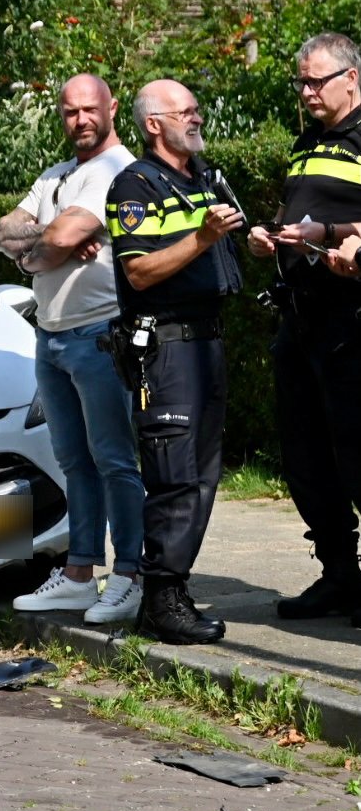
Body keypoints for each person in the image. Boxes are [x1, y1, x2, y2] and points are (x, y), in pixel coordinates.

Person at [0, 74, 144, 625]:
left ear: (111, 109)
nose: (80, 120)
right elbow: (5, 232)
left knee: (115, 461)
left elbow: (48, 239)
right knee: (75, 462)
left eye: (89, 110)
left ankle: (129, 574)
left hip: (97, 333)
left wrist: (43, 241)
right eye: (69, 111)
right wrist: (44, 247)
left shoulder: (118, 172)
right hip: (50, 336)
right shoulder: (55, 175)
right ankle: (80, 574)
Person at [106, 79, 244, 644]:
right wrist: (202, 238)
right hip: (166, 348)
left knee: (202, 475)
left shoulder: (205, 177)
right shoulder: (133, 185)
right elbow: (138, 272)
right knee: (173, 474)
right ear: (153, 124)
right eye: (183, 111)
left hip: (206, 341)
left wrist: (249, 240)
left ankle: (171, 590)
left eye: (196, 109)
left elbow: (218, 248)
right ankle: (162, 600)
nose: (195, 117)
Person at [246, 33, 361, 626]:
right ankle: (340, 573)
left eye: (316, 80)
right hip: (300, 318)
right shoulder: (305, 142)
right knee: (306, 454)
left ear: (352, 78)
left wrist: (328, 233)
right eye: (302, 82)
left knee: (357, 450)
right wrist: (273, 232)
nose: (307, 91)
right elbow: (303, 212)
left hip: (351, 321)